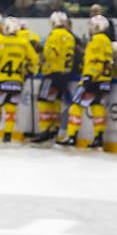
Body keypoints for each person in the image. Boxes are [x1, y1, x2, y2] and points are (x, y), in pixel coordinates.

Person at [0, 17, 39, 144]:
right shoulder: (24, 43)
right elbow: (35, 61)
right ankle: (8, 135)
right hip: (17, 83)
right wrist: (30, 70)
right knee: (11, 110)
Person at [61, 15, 113, 148]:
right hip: (104, 80)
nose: (89, 28)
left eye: (91, 25)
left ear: (97, 26)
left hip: (92, 78)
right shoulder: (107, 40)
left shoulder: (96, 40)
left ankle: (71, 136)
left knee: (75, 106)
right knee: (97, 107)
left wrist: (89, 77)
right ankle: (98, 138)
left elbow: (97, 61)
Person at [32, 11, 76, 144]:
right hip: (65, 74)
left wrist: (40, 50)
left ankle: (46, 129)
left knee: (43, 99)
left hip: (52, 73)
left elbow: (50, 54)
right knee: (56, 101)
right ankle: (55, 127)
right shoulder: (70, 36)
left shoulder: (54, 35)